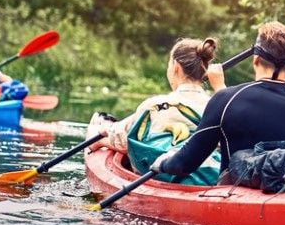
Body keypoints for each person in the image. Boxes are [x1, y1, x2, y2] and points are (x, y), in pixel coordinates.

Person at [150, 21, 285, 180]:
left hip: (235, 198)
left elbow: (183, 165)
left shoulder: (226, 99)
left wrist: (162, 162)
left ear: (255, 60)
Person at [88, 37, 226, 153]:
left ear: (176, 67)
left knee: (97, 131)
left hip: (164, 173)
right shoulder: (220, 108)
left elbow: (122, 140)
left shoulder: (155, 105)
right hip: (207, 176)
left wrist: (102, 135)